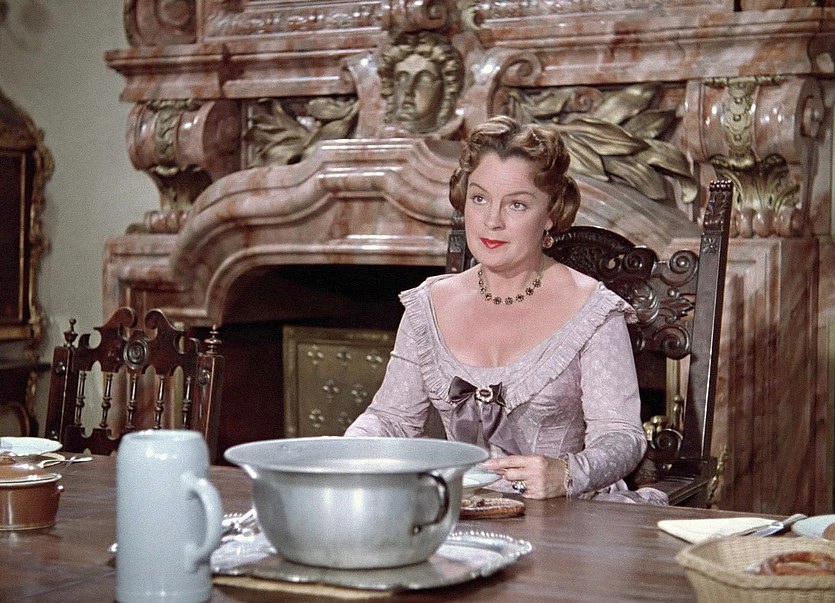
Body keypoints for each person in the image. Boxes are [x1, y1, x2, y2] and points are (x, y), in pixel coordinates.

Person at [345, 115, 667, 504]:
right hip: (457, 511)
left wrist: (568, 473)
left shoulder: (593, 310)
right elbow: (392, 420)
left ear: (551, 214)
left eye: (516, 204)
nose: (491, 221)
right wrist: (344, 451)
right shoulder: (427, 305)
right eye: (479, 198)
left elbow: (621, 435)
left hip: (566, 514)